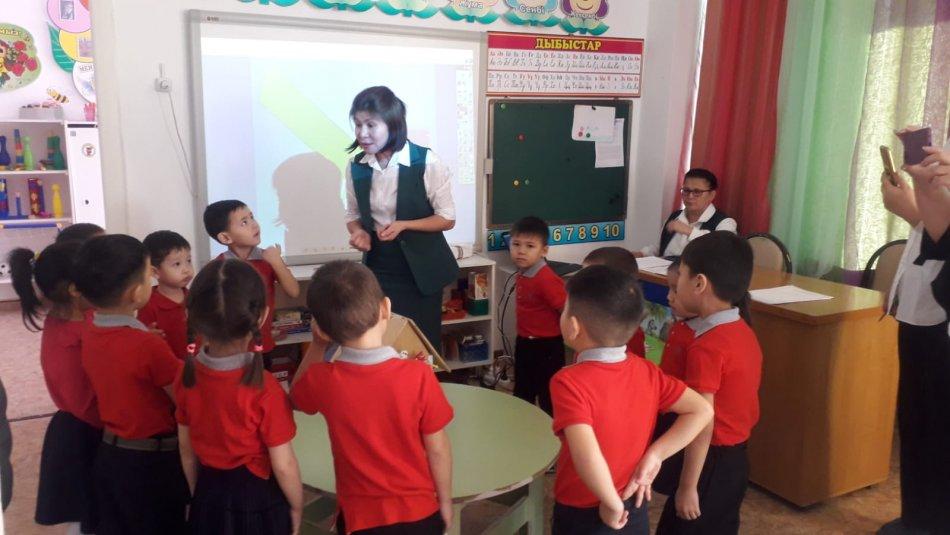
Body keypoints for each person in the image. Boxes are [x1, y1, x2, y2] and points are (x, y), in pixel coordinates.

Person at [291, 261, 454, 534]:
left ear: (323, 330)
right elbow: (438, 448)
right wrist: (445, 501)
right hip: (419, 513)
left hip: (360, 519)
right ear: (386, 308)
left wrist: (317, 345)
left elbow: (295, 399)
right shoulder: (419, 375)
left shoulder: (324, 379)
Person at [550, 264, 712, 534]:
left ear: (574, 326)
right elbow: (702, 410)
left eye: (566, 309)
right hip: (633, 500)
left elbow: (586, 454)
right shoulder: (646, 370)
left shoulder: (568, 382)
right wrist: (655, 455)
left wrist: (611, 503)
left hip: (586, 507)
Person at [175, 259, 303, 535]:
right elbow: (284, 465)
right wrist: (297, 506)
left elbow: (187, 451)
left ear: (192, 316)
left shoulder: (185, 377)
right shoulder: (266, 388)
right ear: (263, 316)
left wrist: (198, 496)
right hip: (257, 499)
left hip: (209, 491)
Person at [73, 234, 189, 535]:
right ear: (137, 292)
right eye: (149, 274)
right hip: (152, 462)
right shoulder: (147, 346)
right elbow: (184, 398)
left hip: (111, 455)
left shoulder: (89, 327)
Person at [656, 232, 762, 535]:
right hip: (733, 460)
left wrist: (688, 487)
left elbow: (702, 422)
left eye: (682, 275)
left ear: (699, 283)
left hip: (708, 463)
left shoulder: (708, 347)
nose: (676, 285)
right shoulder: (741, 328)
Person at [343, 86, 459, 347]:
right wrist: (358, 231)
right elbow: (352, 213)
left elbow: (447, 218)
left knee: (421, 347)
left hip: (421, 272)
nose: (362, 133)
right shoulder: (356, 166)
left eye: (371, 125)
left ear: (393, 124)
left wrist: (404, 225)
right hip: (379, 268)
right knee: (381, 343)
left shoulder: (426, 161)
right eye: (358, 125)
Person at [877, 137, 949, 535]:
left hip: (940, 319)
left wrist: (912, 206)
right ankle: (919, 517)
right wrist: (916, 205)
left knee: (934, 426)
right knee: (917, 420)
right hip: (922, 312)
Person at [9, 240, 101, 534]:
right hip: (86, 433)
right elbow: (83, 402)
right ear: (75, 289)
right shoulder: (76, 335)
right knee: (90, 515)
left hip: (84, 427)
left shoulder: (69, 319)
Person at [203, 200, 300, 361]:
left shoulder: (268, 259)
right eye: (244, 222)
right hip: (229, 348)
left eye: (252, 217)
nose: (254, 225)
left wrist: (277, 262)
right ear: (225, 237)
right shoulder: (218, 267)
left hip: (262, 345)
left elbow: (294, 291)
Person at [510, 216, 567, 416]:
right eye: (516, 244)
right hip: (525, 341)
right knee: (522, 391)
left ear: (544, 250)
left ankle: (550, 431)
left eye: (530, 246)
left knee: (547, 395)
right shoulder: (524, 272)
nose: (521, 251)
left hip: (547, 347)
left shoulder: (546, 279)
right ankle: (522, 425)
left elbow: (566, 309)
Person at [637, 168, 737, 258]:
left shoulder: (725, 222)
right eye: (686, 190)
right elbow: (660, 248)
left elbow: (722, 251)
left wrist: (688, 231)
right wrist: (641, 254)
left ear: (711, 195)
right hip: (662, 271)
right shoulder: (674, 217)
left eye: (697, 192)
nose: (690, 196)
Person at [582, 246, 648, 358]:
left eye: (591, 281)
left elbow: (634, 365)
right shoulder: (588, 316)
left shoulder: (630, 333)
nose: (582, 286)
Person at [139, 230, 194, 358]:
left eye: (189, 261)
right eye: (177, 264)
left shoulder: (195, 297)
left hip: (197, 364)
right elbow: (142, 338)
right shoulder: (148, 304)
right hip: (168, 366)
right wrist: (147, 335)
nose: (186, 270)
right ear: (154, 272)